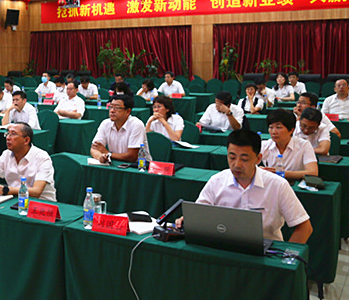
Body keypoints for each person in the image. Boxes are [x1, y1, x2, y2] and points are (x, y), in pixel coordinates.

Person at [176, 129, 312, 244]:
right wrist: (189, 220)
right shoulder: (216, 181)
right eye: (232, 157)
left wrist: (286, 256)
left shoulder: (277, 185)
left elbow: (304, 227)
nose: (237, 164)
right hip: (224, 247)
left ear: (258, 159)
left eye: (244, 159)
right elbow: (200, 214)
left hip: (266, 253)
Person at [0, 123, 56, 201]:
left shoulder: (42, 157)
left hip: (41, 204)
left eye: (13, 134)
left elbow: (36, 192)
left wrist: (5, 189)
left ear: (26, 140)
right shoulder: (6, 154)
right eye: (7, 134)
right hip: (15, 200)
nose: (8, 138)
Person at [260, 109, 318, 180]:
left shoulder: (304, 145)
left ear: (291, 130)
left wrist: (283, 173)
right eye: (271, 127)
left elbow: (313, 172)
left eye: (278, 127)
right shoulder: (264, 145)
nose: (273, 132)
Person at [91, 95, 150, 163]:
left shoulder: (136, 125)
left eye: (117, 108)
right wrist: (101, 157)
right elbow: (94, 148)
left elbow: (132, 157)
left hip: (139, 166)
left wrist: (108, 154)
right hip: (115, 162)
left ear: (128, 111)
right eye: (111, 107)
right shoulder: (105, 123)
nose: (112, 111)